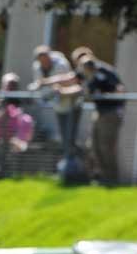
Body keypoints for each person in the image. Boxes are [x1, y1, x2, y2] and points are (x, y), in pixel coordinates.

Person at [77, 54, 125, 185]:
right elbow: (89, 93)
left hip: (111, 113)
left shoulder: (104, 72)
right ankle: (101, 177)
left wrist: (108, 95)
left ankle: (112, 179)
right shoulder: (89, 77)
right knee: (94, 146)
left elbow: (119, 89)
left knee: (106, 147)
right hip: (99, 112)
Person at [29, 44, 81, 151]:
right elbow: (40, 86)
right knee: (63, 135)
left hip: (71, 104)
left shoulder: (61, 64)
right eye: (41, 61)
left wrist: (51, 87)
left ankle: (71, 160)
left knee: (70, 135)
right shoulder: (37, 67)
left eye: (46, 59)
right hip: (58, 105)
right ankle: (66, 157)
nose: (44, 63)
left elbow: (69, 82)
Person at [0, 73, 35, 176]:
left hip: (14, 132)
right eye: (9, 84)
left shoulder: (20, 98)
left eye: (14, 84)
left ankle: (9, 168)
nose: (11, 86)